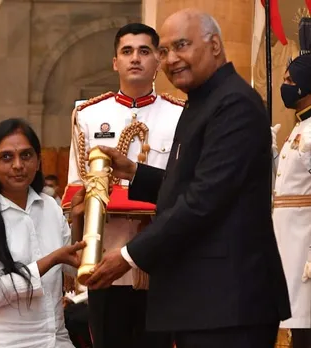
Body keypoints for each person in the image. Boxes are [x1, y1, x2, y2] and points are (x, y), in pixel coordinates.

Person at [83, 9, 291, 348]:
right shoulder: (204, 101)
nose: (171, 59)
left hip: (229, 302)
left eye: (182, 45)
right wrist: (135, 172)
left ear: (214, 46)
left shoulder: (233, 104)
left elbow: (203, 200)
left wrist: (127, 256)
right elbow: (190, 183)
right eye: (164, 51)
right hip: (206, 301)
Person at [64, 22, 183, 348]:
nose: (135, 59)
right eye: (127, 51)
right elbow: (77, 190)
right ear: (115, 61)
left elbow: (185, 189)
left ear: (158, 59)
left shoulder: (179, 115)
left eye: (145, 51)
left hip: (159, 261)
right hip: (105, 259)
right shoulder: (89, 115)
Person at [0, 118, 86, 348]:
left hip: (54, 338)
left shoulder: (50, 207)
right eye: (6, 157)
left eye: (26, 155)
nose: (18, 165)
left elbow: (73, 266)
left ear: (38, 160)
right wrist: (51, 259)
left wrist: (79, 219)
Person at [273, 19, 311, 348]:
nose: (285, 86)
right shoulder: (299, 128)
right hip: (289, 245)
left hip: (306, 249)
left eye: (290, 81)